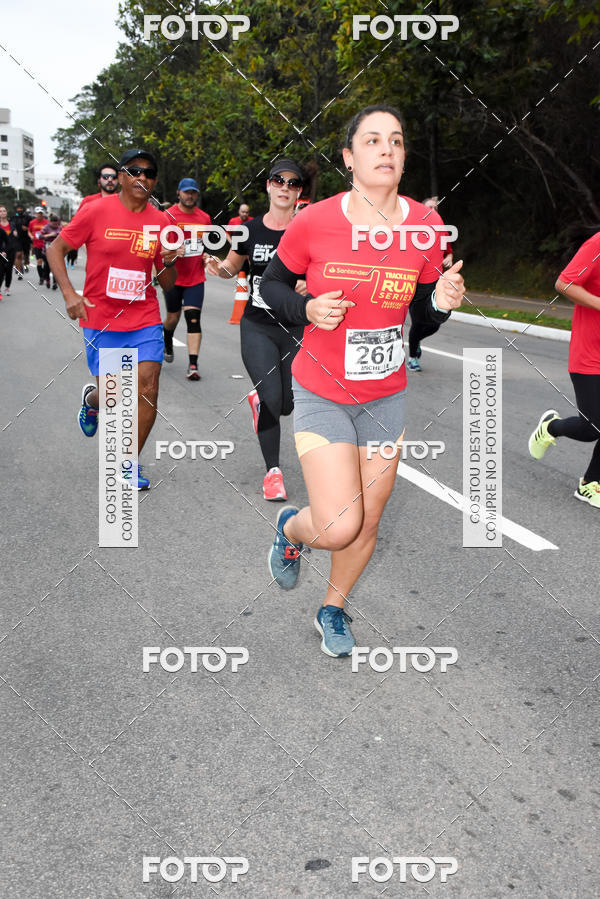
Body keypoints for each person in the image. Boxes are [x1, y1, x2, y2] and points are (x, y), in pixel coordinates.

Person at [259, 106, 464, 657]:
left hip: (385, 397)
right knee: (337, 524)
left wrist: (439, 305)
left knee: (368, 518)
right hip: (323, 391)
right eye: (372, 140)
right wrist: (306, 311)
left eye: (396, 140)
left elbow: (419, 316)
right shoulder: (315, 220)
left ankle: (333, 607)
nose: (387, 150)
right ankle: (292, 528)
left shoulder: (423, 226)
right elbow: (270, 287)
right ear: (350, 158)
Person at [47, 149, 182, 490]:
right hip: (101, 317)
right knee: (116, 393)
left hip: (143, 316)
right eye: (134, 170)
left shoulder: (163, 222)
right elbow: (55, 250)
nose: (142, 178)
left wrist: (167, 262)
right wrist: (69, 294)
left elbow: (168, 282)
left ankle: (128, 464)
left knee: (147, 387)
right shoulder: (95, 211)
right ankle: (92, 400)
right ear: (121, 176)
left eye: (150, 173)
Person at [206, 160, 306, 501]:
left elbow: (322, 271)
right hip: (257, 326)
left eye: (293, 183)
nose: (285, 187)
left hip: (295, 327)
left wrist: (311, 285)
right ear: (268, 185)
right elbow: (231, 266)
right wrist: (218, 268)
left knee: (290, 404)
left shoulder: (306, 228)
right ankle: (273, 473)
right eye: (279, 180)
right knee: (272, 399)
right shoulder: (249, 229)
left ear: (299, 192)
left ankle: (261, 402)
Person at [528, 231, 600, 508]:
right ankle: (550, 427)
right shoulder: (596, 244)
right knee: (594, 426)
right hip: (591, 353)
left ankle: (590, 483)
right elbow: (565, 283)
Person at [161, 178, 211, 379]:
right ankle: (167, 338)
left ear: (197, 195)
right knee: (173, 318)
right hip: (173, 276)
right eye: (186, 192)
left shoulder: (205, 218)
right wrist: (173, 250)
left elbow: (205, 245)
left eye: (193, 192)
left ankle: (193, 365)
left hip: (195, 277)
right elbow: (160, 249)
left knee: (193, 319)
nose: (190, 196)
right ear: (179, 193)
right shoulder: (168, 215)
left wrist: (207, 256)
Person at [406, 196, 455, 372]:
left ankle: (416, 341)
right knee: (418, 322)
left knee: (434, 324)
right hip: (416, 285)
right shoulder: (412, 230)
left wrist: (448, 258)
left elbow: (448, 252)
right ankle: (412, 358)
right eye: (429, 207)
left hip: (436, 283)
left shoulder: (441, 230)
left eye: (435, 208)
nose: (433, 211)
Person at [0, 205, 20, 296]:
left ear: (6, 212)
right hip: (1, 250)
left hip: (11, 249)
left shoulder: (12, 223)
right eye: (1, 211)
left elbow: (16, 234)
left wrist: (16, 233)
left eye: (4, 211)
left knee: (8, 270)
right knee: (1, 271)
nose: (3, 213)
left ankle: (7, 288)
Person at [39, 214, 62, 289]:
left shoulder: (59, 228)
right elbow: (40, 236)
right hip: (47, 250)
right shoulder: (46, 227)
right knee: (47, 266)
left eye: (56, 224)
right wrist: (49, 235)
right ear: (50, 222)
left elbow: (62, 235)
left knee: (55, 267)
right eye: (54, 224)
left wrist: (57, 234)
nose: (55, 225)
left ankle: (55, 282)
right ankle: (48, 280)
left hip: (56, 250)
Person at [28, 207, 49, 285]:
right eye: (38, 213)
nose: (39, 215)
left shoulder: (47, 222)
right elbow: (29, 231)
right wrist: (31, 236)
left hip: (45, 245)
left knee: (46, 262)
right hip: (36, 245)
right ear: (35, 214)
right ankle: (41, 278)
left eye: (41, 213)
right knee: (39, 261)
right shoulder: (32, 222)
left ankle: (44, 274)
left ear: (42, 214)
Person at [12, 204, 31, 274]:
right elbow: (12, 225)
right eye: (18, 209)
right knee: (18, 254)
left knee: (26, 256)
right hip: (17, 239)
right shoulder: (14, 218)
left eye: (21, 208)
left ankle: (25, 265)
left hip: (26, 239)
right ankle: (19, 270)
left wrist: (27, 228)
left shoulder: (28, 218)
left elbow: (32, 227)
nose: (19, 210)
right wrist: (14, 230)